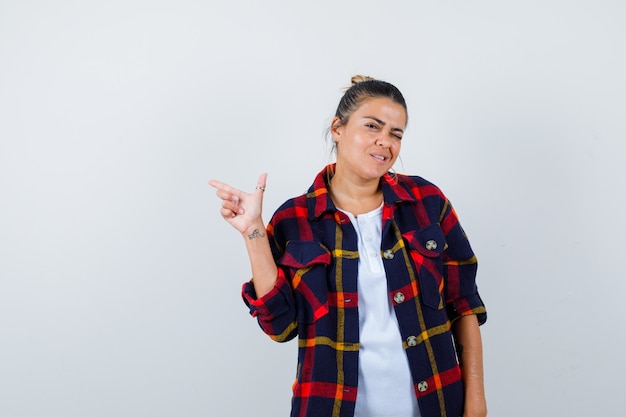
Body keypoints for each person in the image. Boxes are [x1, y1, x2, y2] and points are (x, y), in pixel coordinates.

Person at [209, 76, 487, 417]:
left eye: (396, 134)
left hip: (436, 404)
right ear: (338, 128)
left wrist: (475, 404)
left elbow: (463, 307)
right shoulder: (295, 220)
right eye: (373, 126)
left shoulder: (426, 202)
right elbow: (279, 327)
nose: (385, 142)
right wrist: (253, 231)